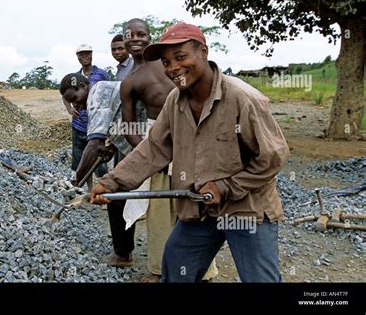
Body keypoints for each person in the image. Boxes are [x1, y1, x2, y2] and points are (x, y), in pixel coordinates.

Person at [91, 22, 290, 282]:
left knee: (260, 279)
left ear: (203, 52)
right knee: (176, 268)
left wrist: (226, 186)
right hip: (201, 206)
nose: (173, 68)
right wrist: (111, 182)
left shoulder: (243, 98)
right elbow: (154, 147)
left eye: (181, 57)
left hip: (247, 208)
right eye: (166, 62)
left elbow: (272, 158)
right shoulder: (175, 101)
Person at [119, 18, 217, 282]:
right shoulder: (129, 82)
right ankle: (158, 269)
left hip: (194, 137)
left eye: (141, 33)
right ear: (124, 40)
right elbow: (129, 127)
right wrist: (152, 156)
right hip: (158, 141)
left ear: (150, 37)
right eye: (129, 35)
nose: (135, 38)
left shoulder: (174, 65)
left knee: (197, 206)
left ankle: (204, 270)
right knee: (160, 213)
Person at [60, 73, 144, 267]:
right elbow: (122, 117)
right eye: (70, 103)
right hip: (139, 142)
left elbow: (93, 143)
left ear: (84, 86)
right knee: (120, 194)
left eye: (75, 99)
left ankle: (123, 255)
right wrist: (112, 146)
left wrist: (76, 180)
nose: (76, 106)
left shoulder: (96, 93)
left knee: (116, 197)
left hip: (148, 144)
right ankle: (124, 252)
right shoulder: (106, 89)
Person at [62, 44, 109, 189]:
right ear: (77, 58)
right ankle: (87, 189)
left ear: (92, 55)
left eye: (87, 54)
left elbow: (109, 93)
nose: (85, 57)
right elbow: (64, 94)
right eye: (81, 55)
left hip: (96, 124)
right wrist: (69, 109)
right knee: (80, 157)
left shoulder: (101, 74)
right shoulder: (74, 77)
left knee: (99, 158)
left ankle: (103, 190)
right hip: (79, 125)